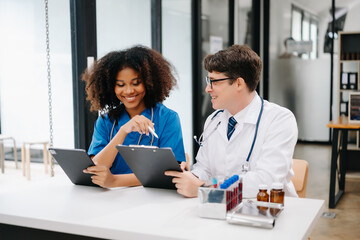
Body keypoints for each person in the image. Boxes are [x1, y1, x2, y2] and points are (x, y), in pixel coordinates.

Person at [165, 45, 298, 198]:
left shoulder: (279, 120)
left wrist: (204, 187)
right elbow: (204, 169)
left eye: (214, 81)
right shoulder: (214, 120)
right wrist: (192, 177)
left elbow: (266, 181)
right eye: (208, 81)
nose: (208, 89)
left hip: (268, 209)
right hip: (220, 206)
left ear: (239, 84)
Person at [82, 45, 186, 188]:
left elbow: (169, 172)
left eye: (136, 83)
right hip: (110, 199)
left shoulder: (167, 118)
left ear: (149, 83)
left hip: (152, 198)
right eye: (120, 85)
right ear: (111, 87)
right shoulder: (106, 121)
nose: (129, 91)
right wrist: (123, 131)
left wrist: (114, 181)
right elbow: (95, 168)